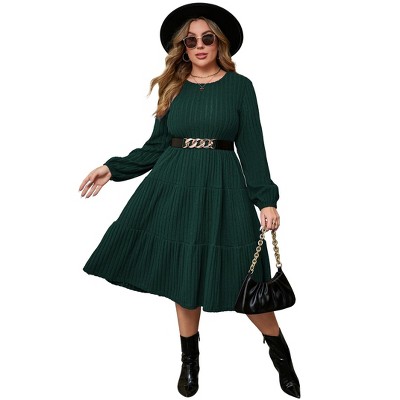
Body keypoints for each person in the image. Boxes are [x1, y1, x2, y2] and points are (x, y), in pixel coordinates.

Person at [79, 3, 300, 398]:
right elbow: (156, 147)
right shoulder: (173, 86)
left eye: (207, 38)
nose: (199, 45)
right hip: (174, 186)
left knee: (246, 275)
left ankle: (280, 354)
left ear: (220, 42)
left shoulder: (240, 87)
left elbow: (253, 148)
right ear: (182, 47)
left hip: (223, 189)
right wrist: (112, 168)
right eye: (190, 40)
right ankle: (190, 361)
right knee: (185, 275)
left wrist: (266, 200)